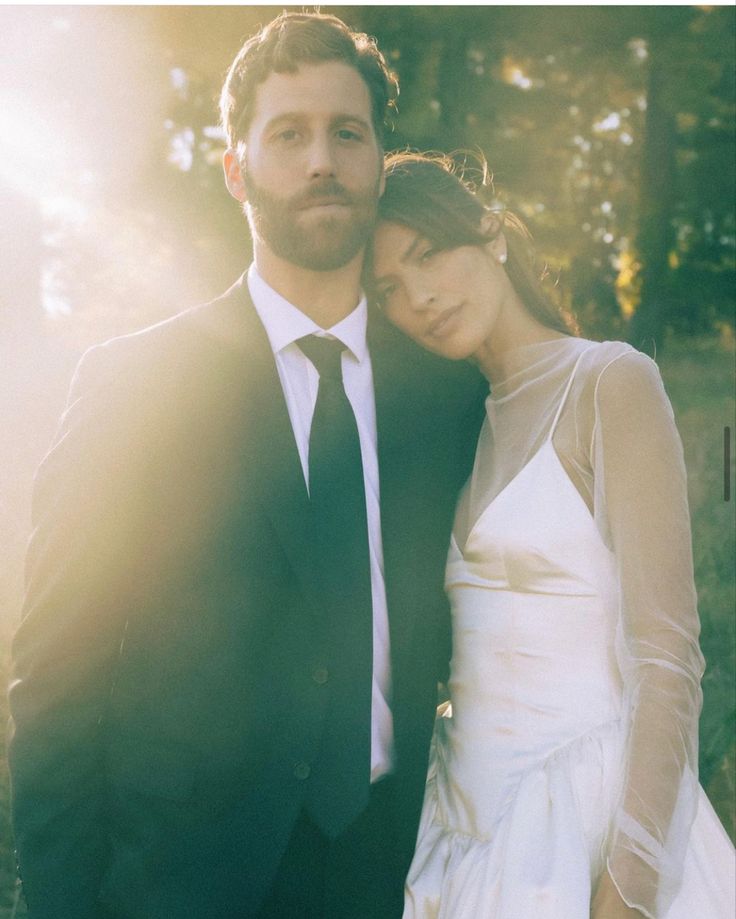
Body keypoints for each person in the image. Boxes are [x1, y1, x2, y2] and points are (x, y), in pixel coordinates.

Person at [8, 18, 484, 919]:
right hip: (181, 884)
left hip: (396, 872)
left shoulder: (448, 394)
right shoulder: (134, 385)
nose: (322, 161)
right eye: (289, 134)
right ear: (237, 169)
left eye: (349, 132)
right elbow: (56, 680)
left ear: (381, 159)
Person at [369, 152, 736, 919]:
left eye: (429, 254)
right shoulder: (453, 427)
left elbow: (669, 658)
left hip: (592, 822)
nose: (421, 296)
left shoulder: (609, 382)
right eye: (390, 289)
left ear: (494, 236)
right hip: (459, 829)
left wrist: (630, 885)